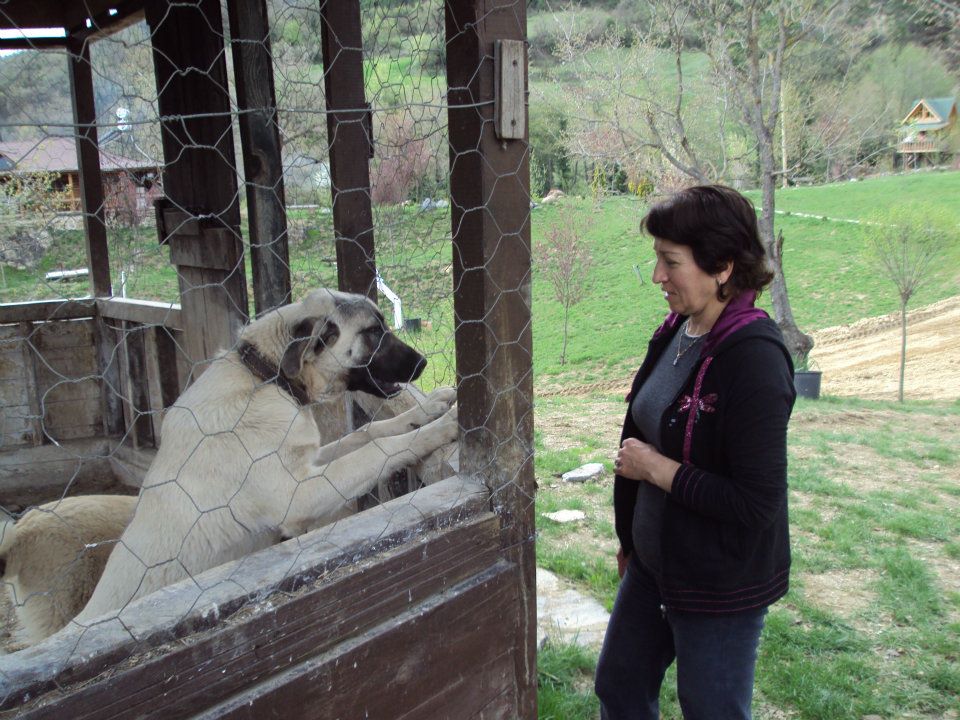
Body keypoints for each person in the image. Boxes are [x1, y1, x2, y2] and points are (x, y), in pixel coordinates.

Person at [594, 185, 796, 719]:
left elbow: (756, 503)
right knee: (619, 687)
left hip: (718, 583)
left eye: (670, 261)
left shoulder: (754, 359)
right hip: (653, 567)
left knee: (711, 710)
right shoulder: (679, 331)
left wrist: (657, 470)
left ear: (723, 265)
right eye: (656, 259)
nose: (657, 276)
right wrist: (629, 539)